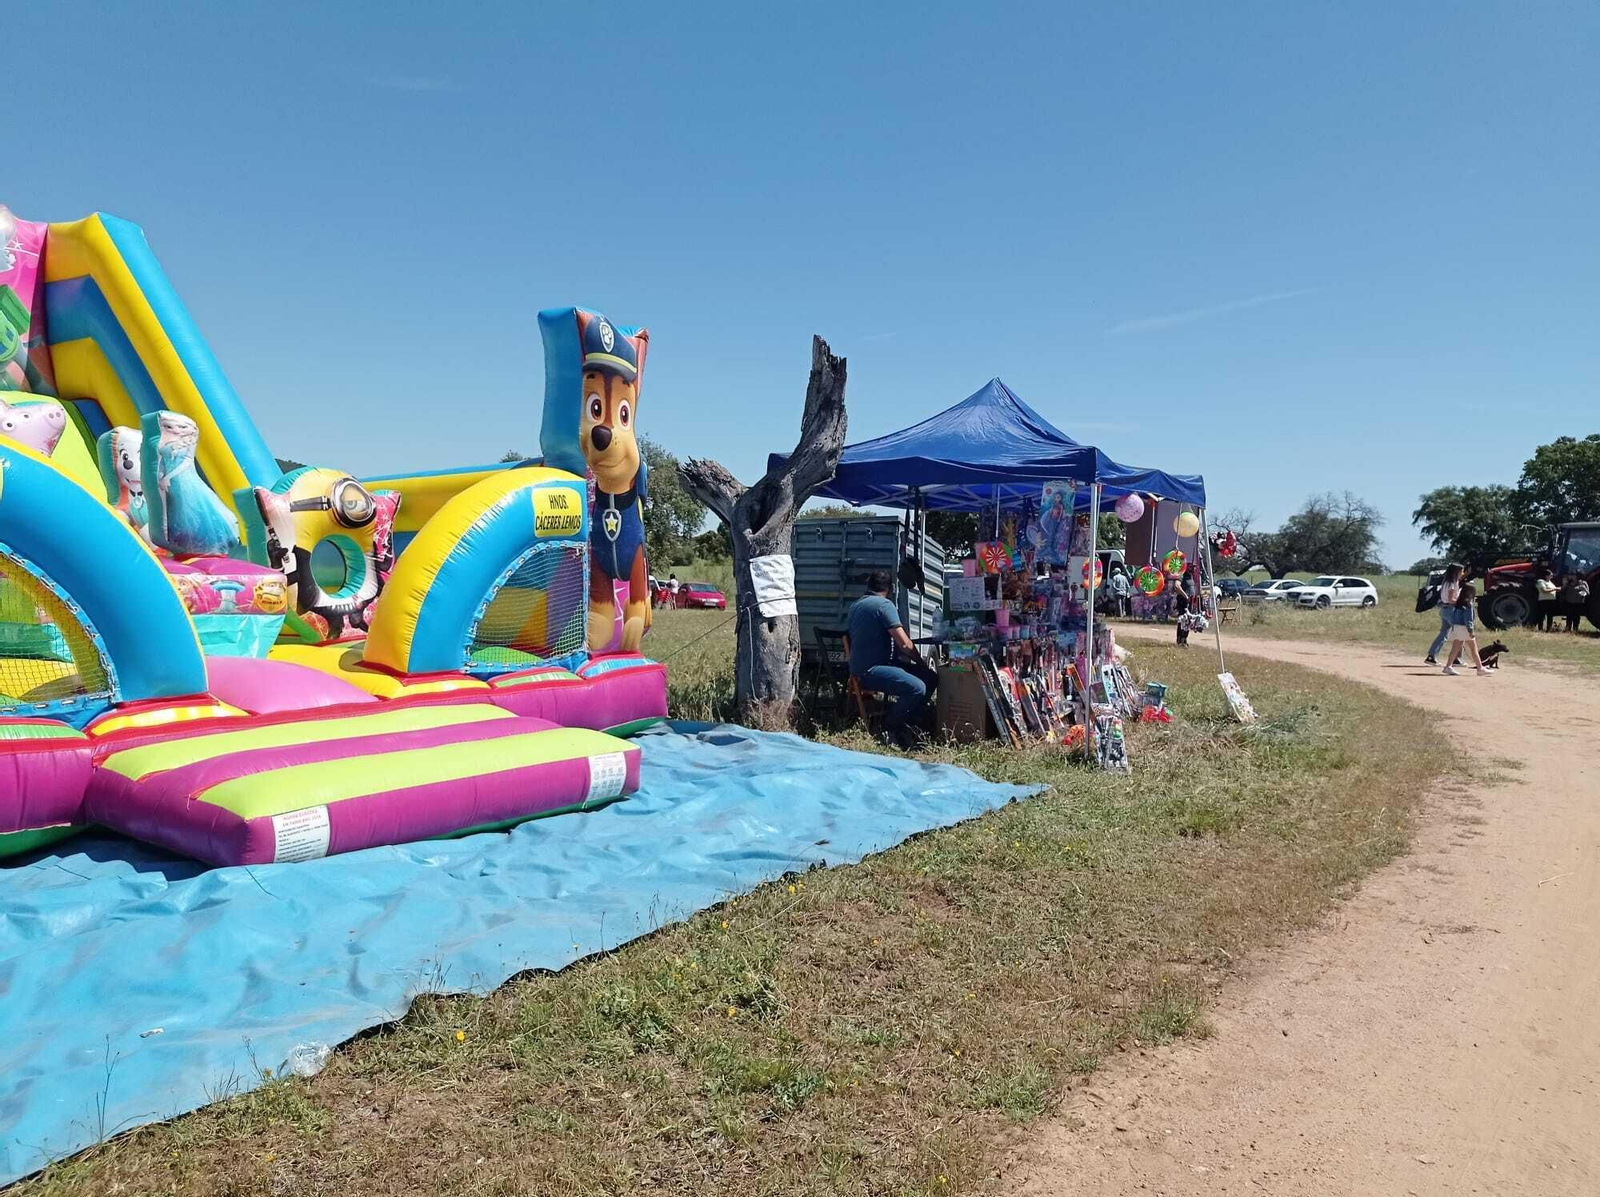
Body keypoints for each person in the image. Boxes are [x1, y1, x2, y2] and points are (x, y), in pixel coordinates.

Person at [846, 570, 938, 748]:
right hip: (871, 670)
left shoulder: (855, 605)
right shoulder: (884, 605)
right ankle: (891, 727)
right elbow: (904, 644)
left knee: (929, 678)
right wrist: (921, 663)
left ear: (869, 586)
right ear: (890, 589)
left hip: (859, 669)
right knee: (917, 687)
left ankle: (909, 720)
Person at [1441, 582, 1491, 676]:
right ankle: (1480, 668)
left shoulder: (1458, 603)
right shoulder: (1468, 604)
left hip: (1456, 627)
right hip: (1465, 629)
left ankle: (1448, 666)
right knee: (1473, 648)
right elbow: (1468, 619)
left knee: (1455, 649)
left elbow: (1453, 617)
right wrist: (1470, 630)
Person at [1424, 563, 1463, 665]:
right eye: (1461, 571)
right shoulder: (1453, 583)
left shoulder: (1446, 582)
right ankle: (1456, 658)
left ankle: (1431, 655)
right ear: (1456, 572)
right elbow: (1451, 599)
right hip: (1450, 610)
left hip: (1444, 609)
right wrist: (1461, 601)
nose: (1462, 573)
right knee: (1460, 632)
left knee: (1444, 633)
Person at [1172, 569, 1195, 646]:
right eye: (1191, 567)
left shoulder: (1191, 576)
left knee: (1189, 620)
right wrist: (1185, 595)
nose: (1193, 569)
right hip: (1183, 601)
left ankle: (1184, 639)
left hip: (1190, 601)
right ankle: (1180, 640)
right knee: (1183, 620)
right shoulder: (1182, 575)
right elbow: (1177, 585)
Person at [1535, 566, 1559, 631]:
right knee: (1542, 615)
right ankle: (1540, 629)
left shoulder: (1550, 582)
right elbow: (1544, 590)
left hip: (1551, 601)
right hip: (1544, 601)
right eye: (1551, 575)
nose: (1552, 576)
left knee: (1550, 616)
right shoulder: (1541, 581)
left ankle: (1549, 629)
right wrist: (1555, 589)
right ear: (1546, 576)